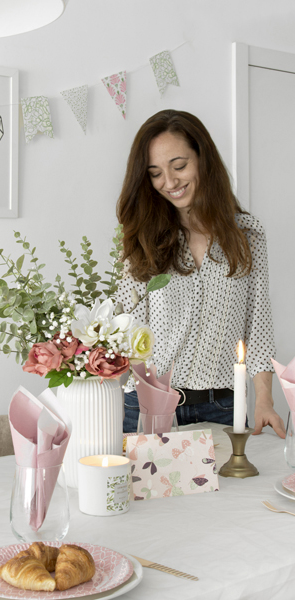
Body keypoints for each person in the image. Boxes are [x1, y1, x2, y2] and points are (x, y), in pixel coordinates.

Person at [115, 109, 285, 437]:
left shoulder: (247, 236)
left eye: (179, 166)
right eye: (155, 173)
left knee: (234, 491)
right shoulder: (143, 238)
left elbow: (258, 327)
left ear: (202, 158)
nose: (170, 182)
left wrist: (264, 400)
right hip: (147, 405)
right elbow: (122, 325)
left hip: (221, 407)